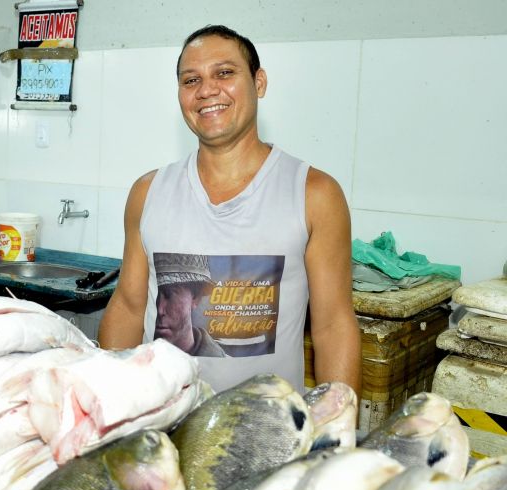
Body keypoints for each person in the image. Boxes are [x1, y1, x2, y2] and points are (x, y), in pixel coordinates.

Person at [97, 24, 361, 396]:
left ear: (260, 82)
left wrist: (336, 427)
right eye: (191, 80)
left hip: (268, 432)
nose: (207, 90)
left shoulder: (314, 193)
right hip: (163, 422)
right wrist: (109, 406)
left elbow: (333, 324)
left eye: (224, 73)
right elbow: (127, 306)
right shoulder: (148, 192)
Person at [153, 253, 227, 357]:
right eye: (152, 293)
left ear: (196, 298)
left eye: (169, 295)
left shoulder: (223, 366)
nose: (160, 310)